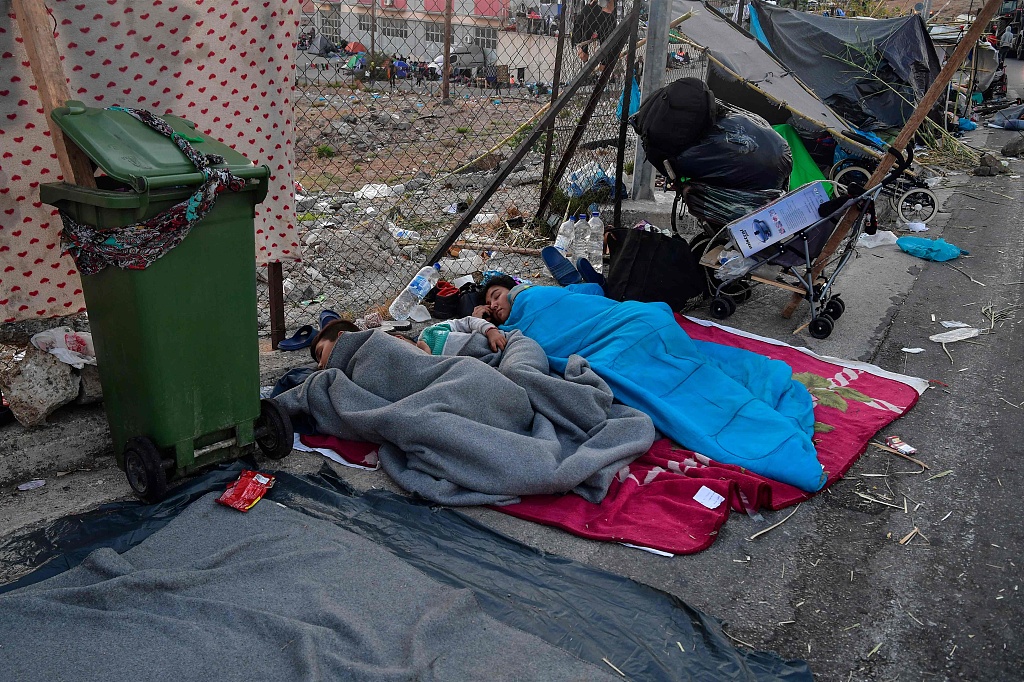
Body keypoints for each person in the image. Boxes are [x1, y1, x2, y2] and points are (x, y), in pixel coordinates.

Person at [474, 275, 825, 493]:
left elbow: (582, 304)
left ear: (516, 288)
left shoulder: (534, 297)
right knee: (685, 376)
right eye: (488, 303)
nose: (493, 303)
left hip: (630, 327)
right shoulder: (507, 330)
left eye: (497, 295)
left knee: (668, 387)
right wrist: (485, 324)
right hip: (632, 326)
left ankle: (765, 437)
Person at [416, 311, 507, 355]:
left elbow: (468, 322)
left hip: (504, 343)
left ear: (401, 339)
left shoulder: (429, 332)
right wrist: (427, 359)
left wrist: (490, 330)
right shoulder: (418, 371)